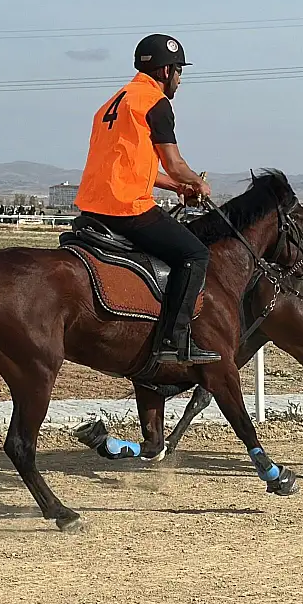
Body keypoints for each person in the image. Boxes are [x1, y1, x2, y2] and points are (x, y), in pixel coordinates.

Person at [74, 34, 220, 365]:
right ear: (166, 71)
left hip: (94, 205)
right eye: (180, 71)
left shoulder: (114, 102)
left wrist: (176, 188)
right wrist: (197, 183)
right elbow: (174, 162)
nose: (180, 80)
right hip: (126, 207)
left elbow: (134, 166)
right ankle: (173, 340)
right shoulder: (155, 103)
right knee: (194, 254)